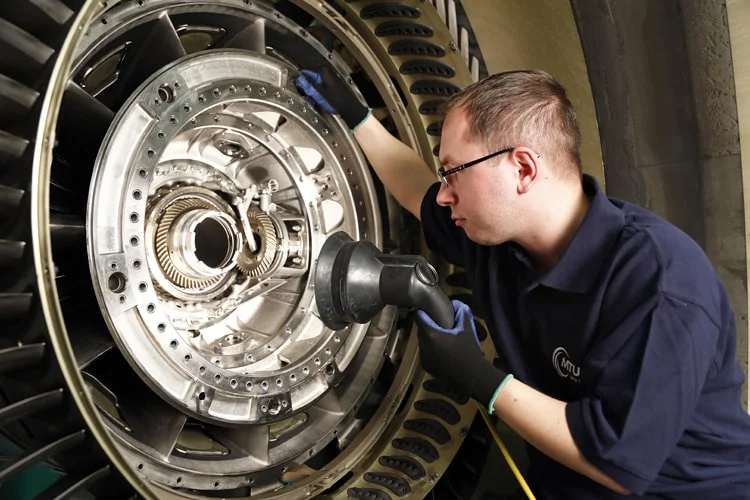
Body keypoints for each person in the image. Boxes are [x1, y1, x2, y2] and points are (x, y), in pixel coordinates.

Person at [295, 68, 750, 499]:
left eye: (454, 172)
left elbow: (614, 460)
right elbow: (418, 191)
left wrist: (477, 375)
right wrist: (356, 115)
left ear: (524, 170)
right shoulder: (498, 238)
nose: (445, 192)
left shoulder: (659, 282)